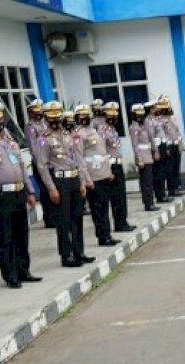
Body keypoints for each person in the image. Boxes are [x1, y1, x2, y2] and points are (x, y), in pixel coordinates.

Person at [0, 101, 41, 288]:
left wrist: (30, 192)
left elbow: (22, 168)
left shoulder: (11, 143)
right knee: (3, 237)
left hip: (17, 193)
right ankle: (10, 275)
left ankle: (23, 271)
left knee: (21, 235)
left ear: (4, 119)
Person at [35, 101, 94, 268]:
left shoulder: (68, 135)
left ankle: (79, 252)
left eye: (57, 117)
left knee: (77, 218)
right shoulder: (43, 139)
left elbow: (78, 159)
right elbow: (42, 166)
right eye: (51, 117)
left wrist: (82, 182)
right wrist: (51, 188)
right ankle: (66, 255)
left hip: (74, 179)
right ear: (46, 118)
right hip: (59, 182)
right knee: (63, 221)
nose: (55, 120)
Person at [74, 104, 118, 247]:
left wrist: (108, 172)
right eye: (82, 115)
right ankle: (102, 237)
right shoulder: (78, 135)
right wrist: (86, 179)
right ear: (77, 118)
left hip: (103, 174)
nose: (85, 118)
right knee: (97, 209)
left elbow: (103, 153)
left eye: (87, 115)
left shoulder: (94, 130)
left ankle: (108, 234)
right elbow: (79, 159)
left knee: (105, 206)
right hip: (93, 177)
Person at [99, 101, 135, 232]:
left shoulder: (112, 129)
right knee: (115, 197)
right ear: (105, 115)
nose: (113, 117)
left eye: (115, 115)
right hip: (111, 166)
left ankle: (123, 221)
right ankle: (119, 224)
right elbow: (102, 151)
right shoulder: (102, 130)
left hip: (118, 164)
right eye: (110, 115)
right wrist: (107, 170)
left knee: (121, 196)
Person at [25, 98, 56, 228]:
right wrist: (41, 164)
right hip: (40, 163)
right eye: (36, 112)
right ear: (31, 112)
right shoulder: (31, 127)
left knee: (53, 188)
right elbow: (33, 147)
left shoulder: (45, 124)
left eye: (40, 111)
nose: (39, 114)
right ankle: (49, 218)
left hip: (51, 162)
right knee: (45, 191)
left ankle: (55, 216)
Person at [130, 104, 159, 211]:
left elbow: (150, 140)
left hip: (148, 155)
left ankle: (150, 202)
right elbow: (135, 145)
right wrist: (139, 159)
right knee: (146, 182)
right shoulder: (134, 128)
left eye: (141, 114)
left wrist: (155, 151)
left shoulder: (143, 126)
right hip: (142, 157)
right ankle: (148, 204)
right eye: (138, 114)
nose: (140, 116)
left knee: (149, 181)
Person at [144, 98, 172, 203]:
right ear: (151, 109)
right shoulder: (148, 121)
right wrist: (155, 151)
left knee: (162, 171)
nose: (157, 109)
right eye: (155, 107)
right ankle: (160, 195)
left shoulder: (155, 119)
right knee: (158, 173)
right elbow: (151, 137)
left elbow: (163, 133)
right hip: (157, 147)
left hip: (162, 145)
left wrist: (166, 147)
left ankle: (163, 194)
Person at [161, 99, 185, 197]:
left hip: (176, 144)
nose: (170, 109)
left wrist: (180, 143)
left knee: (176, 166)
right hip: (169, 146)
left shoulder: (173, 119)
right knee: (170, 168)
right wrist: (166, 148)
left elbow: (177, 131)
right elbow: (163, 135)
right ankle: (171, 189)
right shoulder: (161, 121)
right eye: (168, 108)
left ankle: (177, 186)